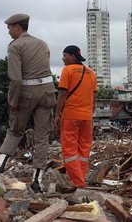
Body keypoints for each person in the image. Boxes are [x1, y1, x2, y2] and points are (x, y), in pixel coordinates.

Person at [0, 13, 56, 193]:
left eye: (10, 28)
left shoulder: (15, 46)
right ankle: (37, 180)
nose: (9, 32)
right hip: (48, 91)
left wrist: (12, 100)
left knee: (15, 129)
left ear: (17, 27)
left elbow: (16, 79)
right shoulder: (42, 43)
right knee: (42, 137)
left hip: (27, 93)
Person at [54, 45, 97, 188]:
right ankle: (81, 178)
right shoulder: (91, 73)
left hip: (71, 116)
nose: (62, 58)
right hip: (87, 117)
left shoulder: (68, 70)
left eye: (65, 55)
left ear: (73, 56)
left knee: (70, 151)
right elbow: (94, 96)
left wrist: (57, 114)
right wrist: (91, 112)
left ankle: (79, 183)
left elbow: (62, 94)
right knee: (84, 151)